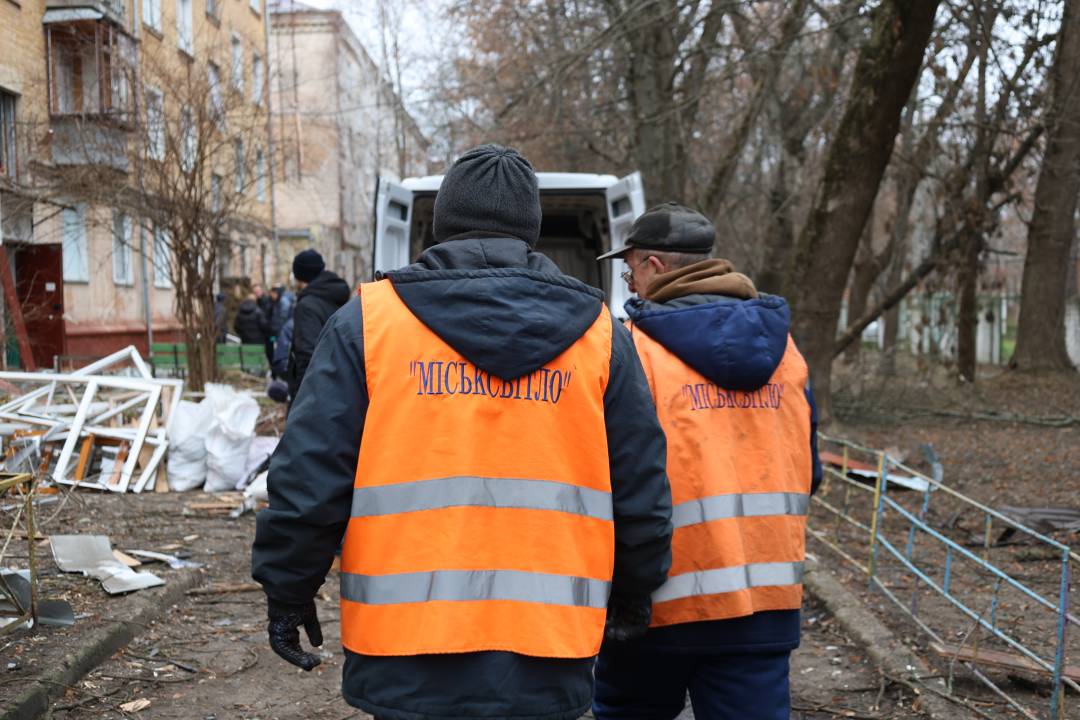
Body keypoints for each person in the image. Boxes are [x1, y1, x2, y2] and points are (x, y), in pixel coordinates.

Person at [251, 144, 673, 720]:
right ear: (532, 230)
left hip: (406, 647)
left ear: (438, 225)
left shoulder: (369, 323)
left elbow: (309, 474)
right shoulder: (601, 337)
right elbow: (640, 483)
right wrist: (633, 586)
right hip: (548, 644)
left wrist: (288, 587)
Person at [592, 203, 822, 720]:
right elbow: (811, 471)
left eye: (629, 271)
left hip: (657, 606)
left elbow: (614, 479)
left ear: (654, 266)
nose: (629, 284)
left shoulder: (633, 352)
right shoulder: (786, 350)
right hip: (762, 608)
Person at [285, 250, 349, 398]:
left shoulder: (307, 306)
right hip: (339, 384)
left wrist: (301, 399)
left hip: (313, 393)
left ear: (300, 276)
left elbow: (307, 357)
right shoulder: (338, 296)